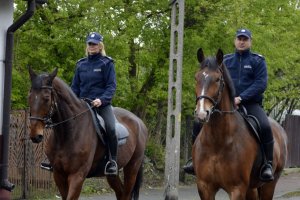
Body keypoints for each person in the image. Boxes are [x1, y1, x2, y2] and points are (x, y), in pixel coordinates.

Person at [184, 28, 274, 182]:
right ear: (235, 40)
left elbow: (261, 84)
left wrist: (241, 98)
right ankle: (194, 161)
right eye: (239, 38)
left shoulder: (257, 60)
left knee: (265, 125)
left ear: (250, 41)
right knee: (197, 124)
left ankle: (267, 164)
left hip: (250, 103)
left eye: (245, 39)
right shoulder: (224, 61)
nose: (242, 41)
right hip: (223, 105)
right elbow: (213, 81)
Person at [42, 32, 118, 175]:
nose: (92, 46)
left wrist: (101, 99)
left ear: (100, 45)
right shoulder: (81, 64)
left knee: (111, 128)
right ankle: (53, 159)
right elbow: (75, 87)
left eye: (94, 44)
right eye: (90, 43)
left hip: (100, 104)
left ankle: (112, 161)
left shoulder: (107, 63)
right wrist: (71, 101)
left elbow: (111, 86)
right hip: (81, 104)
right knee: (61, 123)